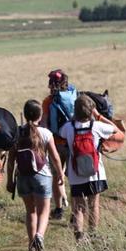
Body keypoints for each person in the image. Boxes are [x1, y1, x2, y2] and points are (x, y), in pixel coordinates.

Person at [59, 94, 124, 241]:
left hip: (76, 174)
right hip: (95, 173)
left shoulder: (68, 128)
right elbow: (115, 130)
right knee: (94, 204)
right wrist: (98, 116)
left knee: (78, 206)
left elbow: (61, 132)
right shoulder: (96, 126)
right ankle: (93, 233)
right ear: (91, 111)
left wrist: (73, 118)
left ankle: (79, 236)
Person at [7, 100, 65, 251]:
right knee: (43, 212)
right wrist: (60, 174)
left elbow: (11, 160)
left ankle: (31, 244)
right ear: (40, 116)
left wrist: (10, 181)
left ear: (25, 115)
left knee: (30, 211)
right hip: (42, 176)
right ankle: (39, 236)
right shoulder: (46, 133)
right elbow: (55, 157)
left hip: (23, 177)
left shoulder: (17, 133)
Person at [40, 69, 76, 220]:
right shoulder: (74, 96)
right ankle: (75, 212)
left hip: (56, 142)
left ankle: (59, 210)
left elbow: (44, 123)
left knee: (56, 177)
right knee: (74, 178)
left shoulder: (48, 101)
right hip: (73, 141)